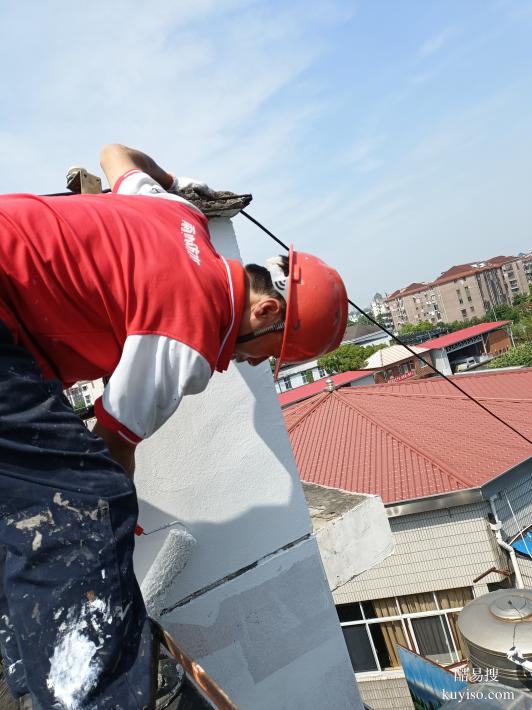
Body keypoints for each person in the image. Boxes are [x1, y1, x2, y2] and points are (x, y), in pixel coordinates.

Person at [0, 144, 348, 709]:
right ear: (267, 312)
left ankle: (29, 661)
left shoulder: (177, 215)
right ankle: (92, 695)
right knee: (90, 503)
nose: (255, 363)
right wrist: (113, 516)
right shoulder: (193, 328)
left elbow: (115, 154)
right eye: (270, 352)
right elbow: (114, 442)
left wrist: (175, 179)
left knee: (34, 489)